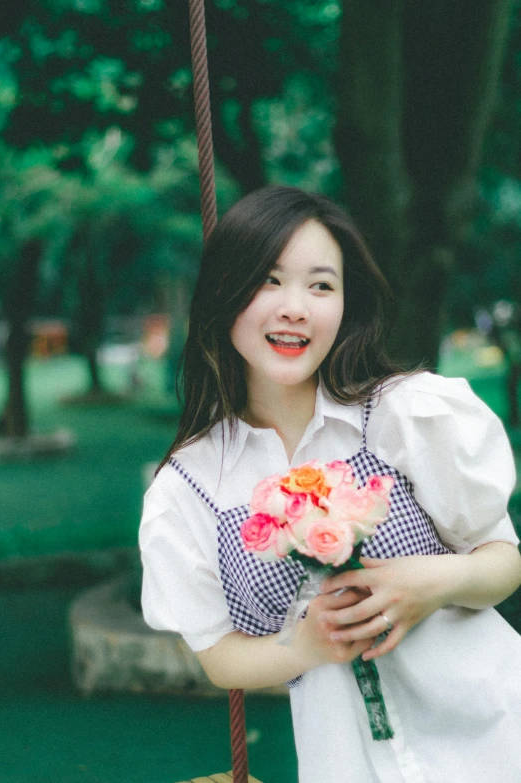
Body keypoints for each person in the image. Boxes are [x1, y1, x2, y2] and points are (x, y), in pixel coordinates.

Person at [139, 185, 521, 783]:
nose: (296, 307)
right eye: (269, 280)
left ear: (346, 305)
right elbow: (218, 656)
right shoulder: (189, 487)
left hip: (494, 731)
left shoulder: (404, 414)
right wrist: (306, 647)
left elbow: (503, 563)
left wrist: (437, 580)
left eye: (321, 285)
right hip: (343, 758)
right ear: (223, 293)